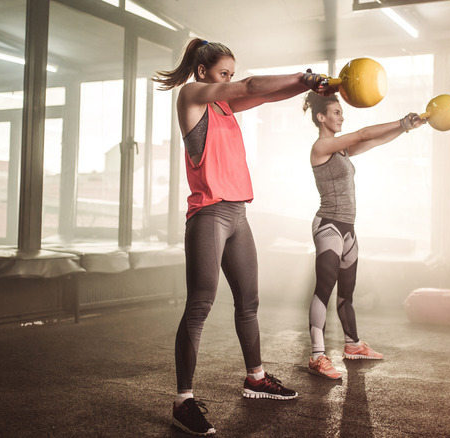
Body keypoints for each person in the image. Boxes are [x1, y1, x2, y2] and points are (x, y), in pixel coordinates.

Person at [153, 38, 330, 436]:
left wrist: (309, 86)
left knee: (248, 302)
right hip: (209, 215)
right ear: (203, 72)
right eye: (223, 74)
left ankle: (256, 377)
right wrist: (304, 74)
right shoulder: (193, 96)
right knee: (199, 305)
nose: (229, 80)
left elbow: (264, 96)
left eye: (231, 74)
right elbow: (251, 87)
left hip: (238, 215)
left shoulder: (223, 105)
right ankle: (183, 400)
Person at [301, 91, 425, 379]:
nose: (341, 117)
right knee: (325, 288)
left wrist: (404, 128)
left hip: (348, 227)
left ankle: (353, 345)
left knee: (347, 291)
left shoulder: (341, 149)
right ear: (321, 117)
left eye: (341, 112)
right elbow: (363, 133)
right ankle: (317, 356)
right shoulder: (322, 146)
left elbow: (374, 139)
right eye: (335, 112)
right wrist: (401, 120)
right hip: (329, 225)